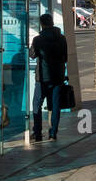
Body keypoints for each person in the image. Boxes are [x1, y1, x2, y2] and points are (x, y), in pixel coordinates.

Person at [29, 12, 68, 140]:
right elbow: (65, 57)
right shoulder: (62, 38)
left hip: (42, 78)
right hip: (58, 77)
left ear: (42, 24)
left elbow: (32, 55)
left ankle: (38, 132)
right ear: (52, 23)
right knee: (55, 105)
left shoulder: (38, 39)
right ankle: (53, 133)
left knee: (37, 104)